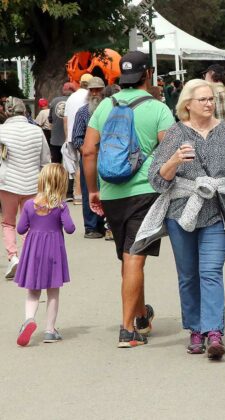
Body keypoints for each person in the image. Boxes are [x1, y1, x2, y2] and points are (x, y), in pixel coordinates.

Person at [137, 79, 225, 360]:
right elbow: (155, 178)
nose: (209, 103)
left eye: (211, 99)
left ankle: (213, 331)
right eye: (202, 99)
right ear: (187, 104)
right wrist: (174, 161)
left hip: (216, 211)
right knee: (188, 275)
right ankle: (195, 329)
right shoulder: (176, 133)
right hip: (181, 214)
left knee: (211, 271)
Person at [82, 51, 175, 348]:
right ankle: (127, 331)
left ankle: (141, 317)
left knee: (127, 257)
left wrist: (93, 190)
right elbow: (171, 151)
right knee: (135, 257)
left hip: (111, 191)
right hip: (144, 191)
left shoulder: (104, 106)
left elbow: (87, 151)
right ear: (147, 75)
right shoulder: (158, 109)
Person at [14, 164, 75, 346]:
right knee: (53, 292)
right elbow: (70, 228)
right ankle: (50, 330)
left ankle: (29, 319)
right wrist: (63, 212)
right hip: (54, 251)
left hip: (33, 250)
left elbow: (20, 228)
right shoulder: (61, 206)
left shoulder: (29, 205)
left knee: (33, 291)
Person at [0, 97, 51, 279]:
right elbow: (45, 161)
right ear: (25, 111)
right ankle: (31, 258)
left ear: (7, 111)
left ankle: (13, 257)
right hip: (32, 183)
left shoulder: (1, 131)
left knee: (8, 222)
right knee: (31, 223)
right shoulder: (36, 131)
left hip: (7, 184)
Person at [71, 76, 107, 239]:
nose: (95, 93)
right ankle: (91, 227)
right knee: (89, 191)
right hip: (88, 158)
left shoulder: (111, 110)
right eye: (92, 89)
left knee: (107, 190)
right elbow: (77, 137)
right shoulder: (82, 112)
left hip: (107, 157)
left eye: (98, 89)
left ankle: (106, 225)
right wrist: (86, 151)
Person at [64, 73, 93, 205]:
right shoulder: (88, 97)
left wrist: (67, 137)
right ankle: (80, 195)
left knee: (73, 167)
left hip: (71, 135)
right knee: (83, 165)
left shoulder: (71, 97)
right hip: (84, 135)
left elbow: (65, 119)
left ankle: (75, 194)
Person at [48, 82, 76, 163]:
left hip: (55, 140)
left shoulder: (54, 101)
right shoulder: (74, 101)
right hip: (70, 141)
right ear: (72, 90)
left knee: (55, 166)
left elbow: (50, 119)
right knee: (70, 167)